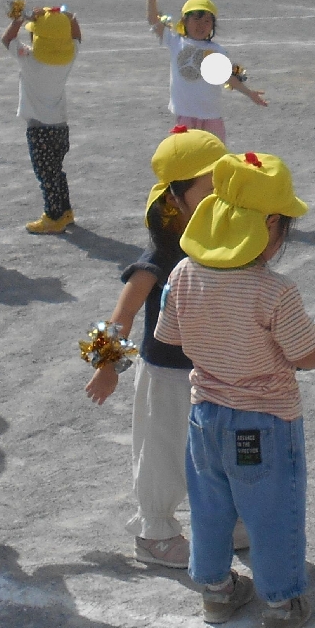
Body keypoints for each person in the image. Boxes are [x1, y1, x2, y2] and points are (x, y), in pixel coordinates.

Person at [155, 151, 315, 628]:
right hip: (265, 422)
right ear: (270, 225)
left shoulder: (182, 274)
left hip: (205, 417)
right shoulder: (274, 291)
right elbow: (306, 356)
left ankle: (215, 591)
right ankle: (280, 602)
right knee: (272, 510)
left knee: (210, 504)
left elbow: (169, 336)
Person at [83, 126, 244, 568]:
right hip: (167, 373)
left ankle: (226, 519)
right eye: (209, 189)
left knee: (218, 446)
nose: (222, 198)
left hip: (214, 368)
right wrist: (107, 366)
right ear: (175, 198)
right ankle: (154, 530)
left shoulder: (226, 243)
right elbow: (122, 315)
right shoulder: (158, 259)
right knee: (164, 451)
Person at [144, 0, 266, 139]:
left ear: (212, 26)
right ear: (185, 21)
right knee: (187, 159)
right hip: (185, 117)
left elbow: (227, 78)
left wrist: (249, 92)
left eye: (207, 21)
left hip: (211, 117)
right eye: (196, 20)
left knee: (214, 159)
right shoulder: (175, 41)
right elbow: (153, 20)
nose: (201, 25)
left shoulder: (216, 51)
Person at [0, 5, 82, 234]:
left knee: (46, 175)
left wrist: (20, 18)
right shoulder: (68, 58)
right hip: (60, 127)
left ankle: (53, 215)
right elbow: (76, 35)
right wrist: (66, 16)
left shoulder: (30, 60)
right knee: (57, 171)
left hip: (39, 129)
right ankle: (65, 211)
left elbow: (7, 39)